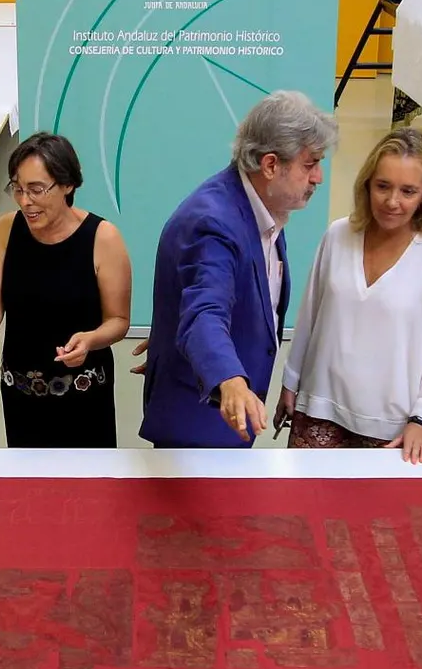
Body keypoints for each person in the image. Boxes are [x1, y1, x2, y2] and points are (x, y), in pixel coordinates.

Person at [138, 90, 338, 447]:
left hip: (228, 412)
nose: (318, 178)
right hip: (202, 423)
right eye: (310, 164)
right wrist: (230, 379)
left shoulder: (260, 208)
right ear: (271, 165)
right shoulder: (214, 224)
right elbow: (204, 313)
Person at [277, 129, 422, 463]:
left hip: (392, 425)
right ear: (367, 184)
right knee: (306, 510)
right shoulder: (338, 235)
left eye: (408, 191)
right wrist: (290, 381)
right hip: (320, 407)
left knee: (379, 516)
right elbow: (310, 314)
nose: (393, 201)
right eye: (383, 186)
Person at [0, 133, 131, 447]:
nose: (26, 201)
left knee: (87, 489)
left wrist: (91, 339)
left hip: (84, 396)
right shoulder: (6, 229)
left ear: (67, 185)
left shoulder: (102, 237)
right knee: (28, 487)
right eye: (18, 188)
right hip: (20, 393)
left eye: (37, 190)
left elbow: (119, 320)